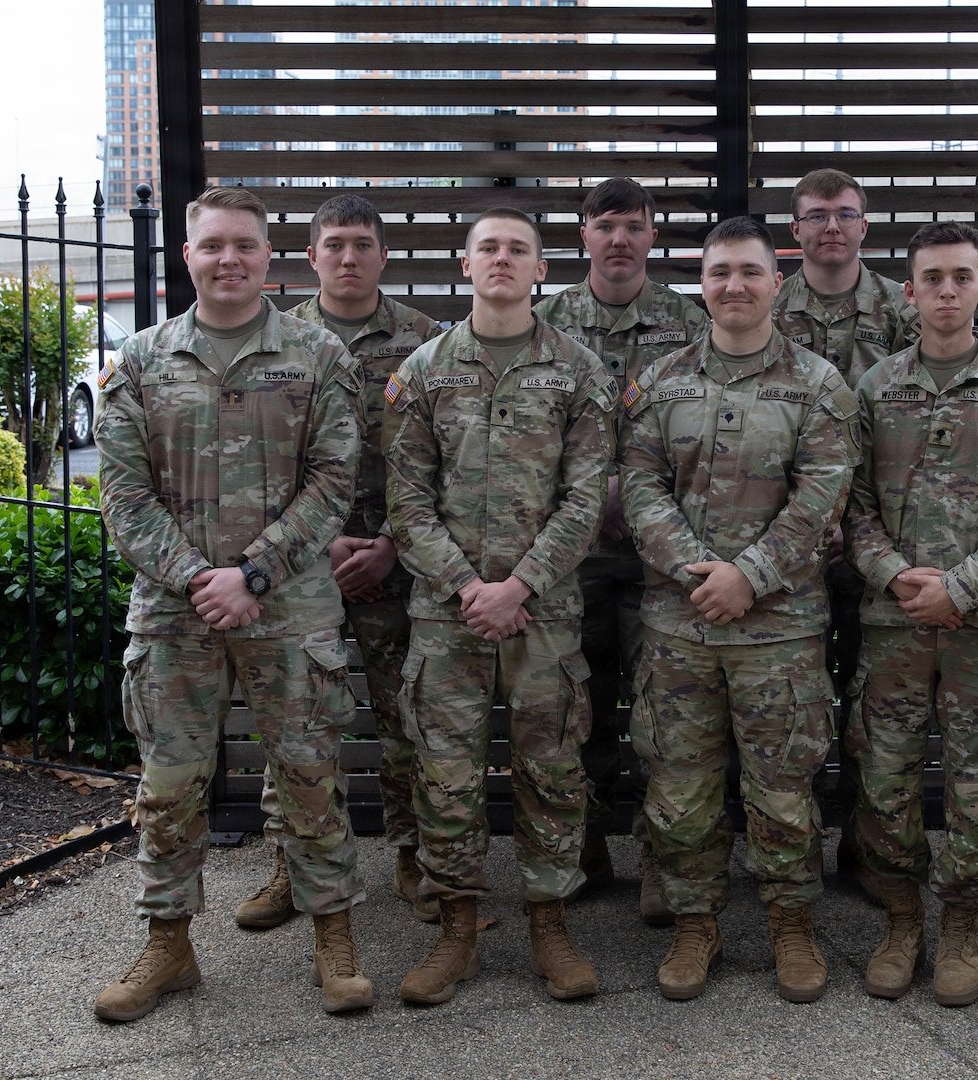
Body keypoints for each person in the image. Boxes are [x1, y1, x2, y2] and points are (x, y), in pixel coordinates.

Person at [94, 186, 372, 1020]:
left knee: (311, 775)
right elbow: (122, 493)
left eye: (244, 246)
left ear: (268, 258)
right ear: (188, 256)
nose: (229, 260)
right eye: (213, 245)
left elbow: (333, 484)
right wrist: (196, 579)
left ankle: (333, 933)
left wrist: (249, 574)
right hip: (177, 616)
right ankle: (168, 943)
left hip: (288, 610)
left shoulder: (320, 357)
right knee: (170, 784)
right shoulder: (139, 362)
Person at [619, 216, 859, 1003]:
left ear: (776, 280)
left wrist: (749, 577)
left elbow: (824, 494)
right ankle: (697, 924)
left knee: (783, 787)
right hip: (680, 624)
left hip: (779, 631)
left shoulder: (819, 384)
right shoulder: (662, 381)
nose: (734, 286)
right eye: (720, 272)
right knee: (680, 788)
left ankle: (791, 923)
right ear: (702, 281)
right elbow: (640, 484)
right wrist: (700, 573)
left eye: (750, 272)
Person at [383, 207, 616, 1005]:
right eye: (490, 248)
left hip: (542, 616)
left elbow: (587, 499)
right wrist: (467, 588)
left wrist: (519, 586)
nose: (504, 261)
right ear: (466, 264)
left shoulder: (580, 371)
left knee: (550, 772)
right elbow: (406, 500)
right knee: (445, 776)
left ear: (541, 269)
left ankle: (550, 923)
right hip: (448, 618)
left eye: (519, 249)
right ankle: (457, 932)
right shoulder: (423, 370)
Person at [844, 222, 978, 1006]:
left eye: (960, 277)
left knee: (977, 783)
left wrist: (960, 589)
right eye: (931, 278)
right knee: (886, 778)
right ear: (909, 292)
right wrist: (899, 577)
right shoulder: (873, 388)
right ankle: (902, 920)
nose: (945, 290)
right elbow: (853, 506)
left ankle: (962, 924)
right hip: (893, 621)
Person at [235, 192, 443, 929]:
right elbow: (259, 460)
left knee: (404, 716)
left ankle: (415, 857)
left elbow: (439, 458)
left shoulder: (424, 340)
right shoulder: (275, 339)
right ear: (310, 257)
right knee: (296, 721)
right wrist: (319, 541)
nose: (348, 257)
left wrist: (390, 540)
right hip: (300, 561)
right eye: (334, 245)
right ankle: (291, 863)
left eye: (361, 244)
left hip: (399, 559)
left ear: (384, 254)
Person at [534, 178, 709, 921]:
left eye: (634, 227)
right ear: (583, 236)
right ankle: (587, 842)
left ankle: (664, 862)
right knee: (579, 709)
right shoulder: (545, 324)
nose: (620, 240)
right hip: (570, 558)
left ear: (652, 236)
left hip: (661, 558)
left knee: (666, 715)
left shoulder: (688, 323)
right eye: (606, 226)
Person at [772, 168, 918, 871]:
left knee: (871, 705)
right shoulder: (763, 306)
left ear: (865, 226)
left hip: (882, 533)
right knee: (787, 705)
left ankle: (868, 850)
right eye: (817, 215)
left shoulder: (904, 309)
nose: (832, 226)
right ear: (794, 230)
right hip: (781, 538)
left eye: (845, 214)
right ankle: (784, 849)